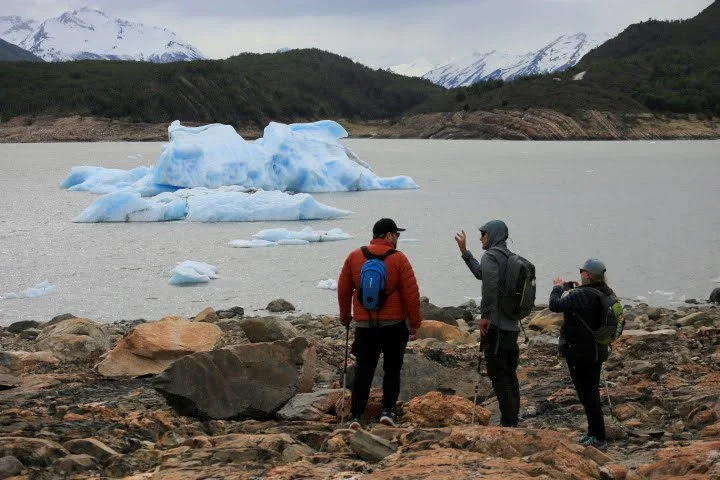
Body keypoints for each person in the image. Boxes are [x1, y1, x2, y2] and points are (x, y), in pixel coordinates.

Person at [338, 218, 422, 430]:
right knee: (392, 368)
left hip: (365, 324)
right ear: (388, 235)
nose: (397, 239)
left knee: (363, 370)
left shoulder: (355, 256)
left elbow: (344, 289)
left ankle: (356, 415)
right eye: (397, 234)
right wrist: (415, 322)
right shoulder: (398, 259)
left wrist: (345, 316)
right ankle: (388, 411)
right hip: (393, 324)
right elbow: (410, 293)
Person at [454, 220, 520, 427]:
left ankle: (508, 422)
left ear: (493, 235)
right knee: (510, 373)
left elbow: (489, 287)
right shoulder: (511, 258)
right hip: (512, 325)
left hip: (496, 326)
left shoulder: (491, 256)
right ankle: (513, 418)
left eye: (483, 233)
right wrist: (465, 252)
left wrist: (485, 316)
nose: (481, 237)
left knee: (498, 374)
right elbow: (481, 274)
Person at [549, 258, 614, 451]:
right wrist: (574, 290)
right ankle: (594, 433)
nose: (580, 274)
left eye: (581, 271)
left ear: (587, 275)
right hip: (597, 350)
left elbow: (555, 305)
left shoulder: (583, 294)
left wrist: (557, 287)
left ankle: (598, 437)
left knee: (587, 395)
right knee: (591, 392)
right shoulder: (606, 291)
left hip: (580, 353)